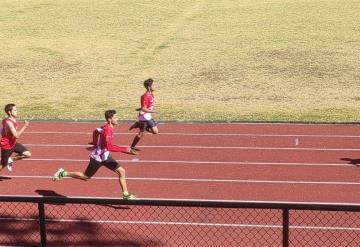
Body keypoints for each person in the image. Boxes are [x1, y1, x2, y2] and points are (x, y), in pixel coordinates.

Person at [52, 109, 137, 200]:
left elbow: (95, 132)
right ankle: (63, 173)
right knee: (86, 176)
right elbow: (110, 147)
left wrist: (95, 144)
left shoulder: (105, 127)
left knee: (122, 171)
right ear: (109, 119)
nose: (117, 119)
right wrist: (126, 149)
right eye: (115, 117)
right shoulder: (107, 130)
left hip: (105, 156)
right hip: (97, 158)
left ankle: (125, 194)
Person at [129, 78, 158, 151]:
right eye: (153, 85)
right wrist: (153, 112)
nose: (155, 86)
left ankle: (138, 124)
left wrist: (141, 108)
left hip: (148, 115)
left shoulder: (151, 94)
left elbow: (145, 106)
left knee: (155, 132)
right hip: (144, 117)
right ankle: (132, 147)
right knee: (141, 133)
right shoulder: (145, 96)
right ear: (149, 87)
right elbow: (144, 109)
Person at [0, 103, 31, 173]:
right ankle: (6, 161)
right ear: (9, 112)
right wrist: (25, 126)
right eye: (15, 110)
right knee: (2, 165)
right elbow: (16, 136)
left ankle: (10, 159)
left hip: (13, 144)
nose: (17, 111)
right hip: (7, 146)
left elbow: (3, 128)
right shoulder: (9, 122)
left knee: (27, 154)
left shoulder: (7, 120)